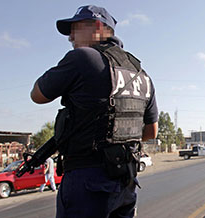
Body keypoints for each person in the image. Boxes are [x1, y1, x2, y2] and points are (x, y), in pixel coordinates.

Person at [30, 5, 158, 218]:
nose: (70, 37)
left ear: (98, 27)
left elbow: (37, 95)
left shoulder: (82, 58)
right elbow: (151, 131)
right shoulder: (141, 73)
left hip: (87, 180)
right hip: (125, 181)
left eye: (75, 29)